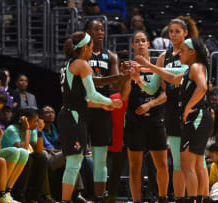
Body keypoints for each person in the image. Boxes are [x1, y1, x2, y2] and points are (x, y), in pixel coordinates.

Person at [134, 37, 214, 202]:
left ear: (193, 52)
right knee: (197, 164)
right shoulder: (188, 70)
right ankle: (201, 198)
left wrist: (187, 107)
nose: (179, 54)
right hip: (198, 118)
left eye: (183, 50)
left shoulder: (197, 66)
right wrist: (146, 70)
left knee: (188, 165)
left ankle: (193, 199)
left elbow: (203, 87)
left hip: (196, 117)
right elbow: (170, 77)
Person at [57, 31, 122, 202]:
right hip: (74, 117)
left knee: (74, 163)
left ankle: (66, 200)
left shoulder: (68, 64)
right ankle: (65, 201)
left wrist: (102, 105)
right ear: (85, 47)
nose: (92, 51)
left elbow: (81, 99)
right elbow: (92, 94)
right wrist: (110, 101)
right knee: (73, 164)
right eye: (91, 47)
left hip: (69, 114)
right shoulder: (82, 64)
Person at [123, 31, 169, 203]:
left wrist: (150, 104)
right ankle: (136, 201)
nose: (141, 44)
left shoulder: (157, 66)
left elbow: (166, 94)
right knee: (135, 167)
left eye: (143, 40)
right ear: (133, 46)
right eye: (137, 41)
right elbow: (123, 94)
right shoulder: (128, 67)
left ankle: (163, 199)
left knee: (162, 165)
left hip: (155, 120)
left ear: (148, 44)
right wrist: (126, 77)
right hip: (135, 122)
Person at [85, 19, 120, 201]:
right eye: (95, 29)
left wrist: (122, 76)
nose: (100, 32)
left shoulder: (111, 56)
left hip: (102, 109)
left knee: (100, 157)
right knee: (76, 156)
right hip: (83, 108)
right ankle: (75, 194)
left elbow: (114, 84)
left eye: (102, 29)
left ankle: (99, 196)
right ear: (87, 32)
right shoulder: (80, 56)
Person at [1, 108, 50, 202]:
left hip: (20, 158)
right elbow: (23, 149)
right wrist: (27, 128)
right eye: (35, 121)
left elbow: (39, 150)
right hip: (7, 159)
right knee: (29, 158)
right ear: (25, 120)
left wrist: (39, 131)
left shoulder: (32, 130)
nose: (36, 123)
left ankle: (34, 196)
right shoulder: (12, 129)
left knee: (42, 157)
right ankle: (19, 194)